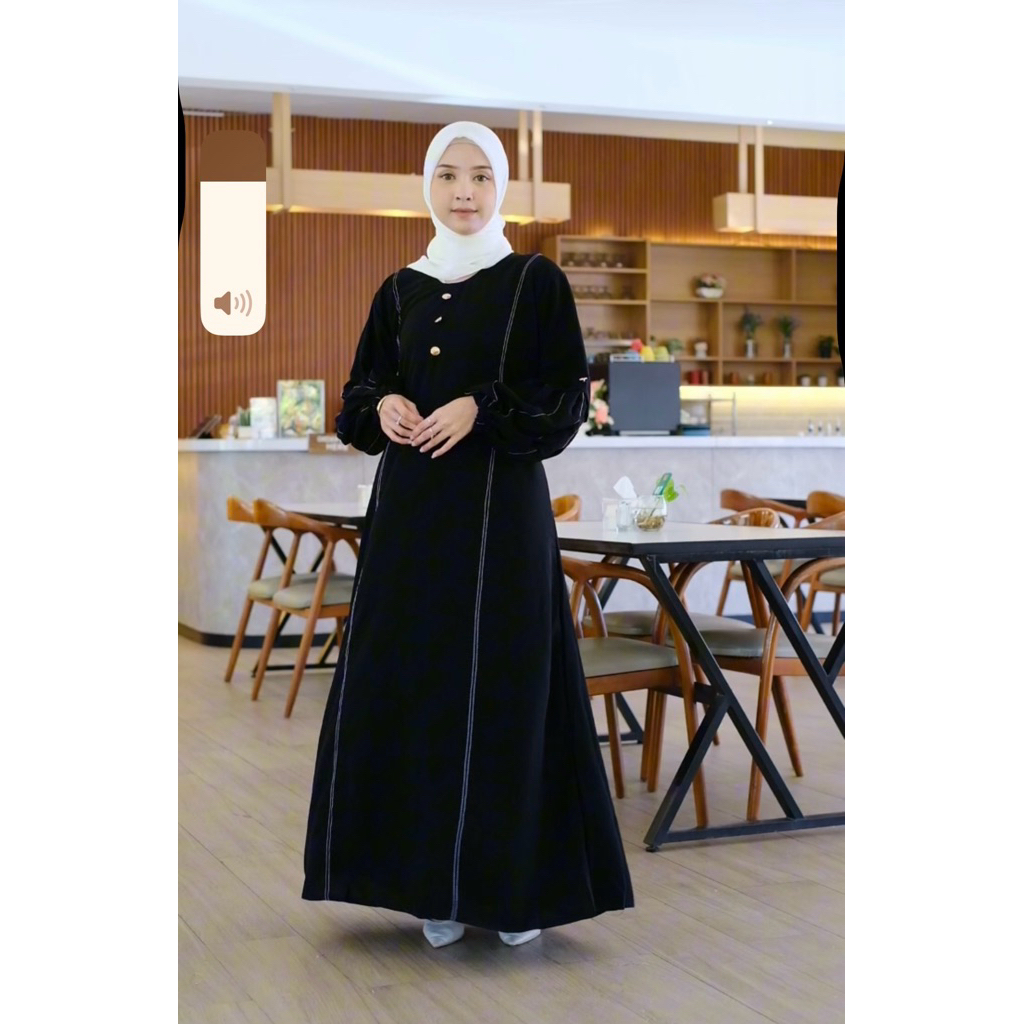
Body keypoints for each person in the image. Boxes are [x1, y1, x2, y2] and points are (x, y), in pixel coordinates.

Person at [302, 121, 634, 948]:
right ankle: (432, 891)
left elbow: (564, 400)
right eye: (449, 175)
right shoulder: (400, 290)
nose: (464, 191)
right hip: (411, 523)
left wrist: (479, 408)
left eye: (482, 176)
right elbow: (358, 396)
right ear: (428, 185)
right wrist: (384, 403)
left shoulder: (533, 281)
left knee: (506, 690)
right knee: (420, 690)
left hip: (501, 522)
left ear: (503, 188)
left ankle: (511, 890)